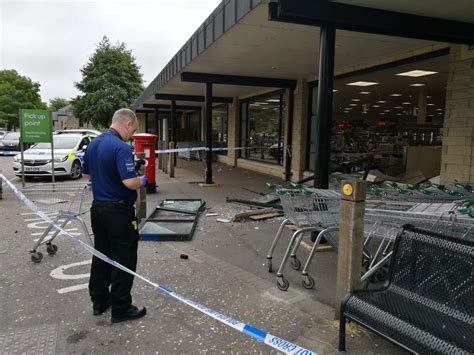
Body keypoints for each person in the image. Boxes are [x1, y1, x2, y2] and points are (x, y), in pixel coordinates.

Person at [82, 108, 148, 324]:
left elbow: (86, 173)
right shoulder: (121, 147)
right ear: (128, 123)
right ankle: (121, 307)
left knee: (102, 255)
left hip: (98, 209)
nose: (132, 134)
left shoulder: (93, 143)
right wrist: (144, 180)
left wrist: (106, 178)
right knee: (125, 258)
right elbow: (130, 182)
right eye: (133, 130)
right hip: (119, 212)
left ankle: (99, 300)